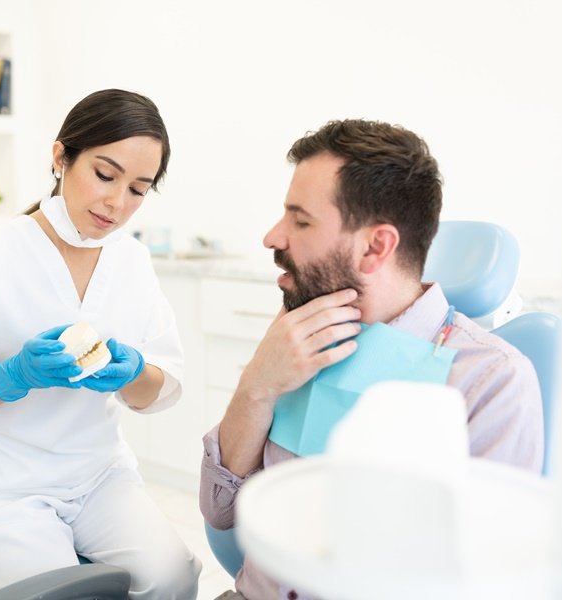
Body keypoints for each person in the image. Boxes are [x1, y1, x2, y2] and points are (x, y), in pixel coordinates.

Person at [200, 119, 543, 600]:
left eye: (300, 221)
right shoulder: (297, 338)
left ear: (375, 247)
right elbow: (220, 512)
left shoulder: (489, 379)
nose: (273, 237)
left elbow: (482, 583)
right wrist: (257, 385)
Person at [0, 89, 201, 598]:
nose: (116, 202)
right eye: (105, 175)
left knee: (174, 577)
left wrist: (134, 373)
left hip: (98, 475)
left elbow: (157, 391)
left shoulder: (132, 262)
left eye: (138, 189)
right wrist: (13, 376)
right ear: (61, 157)